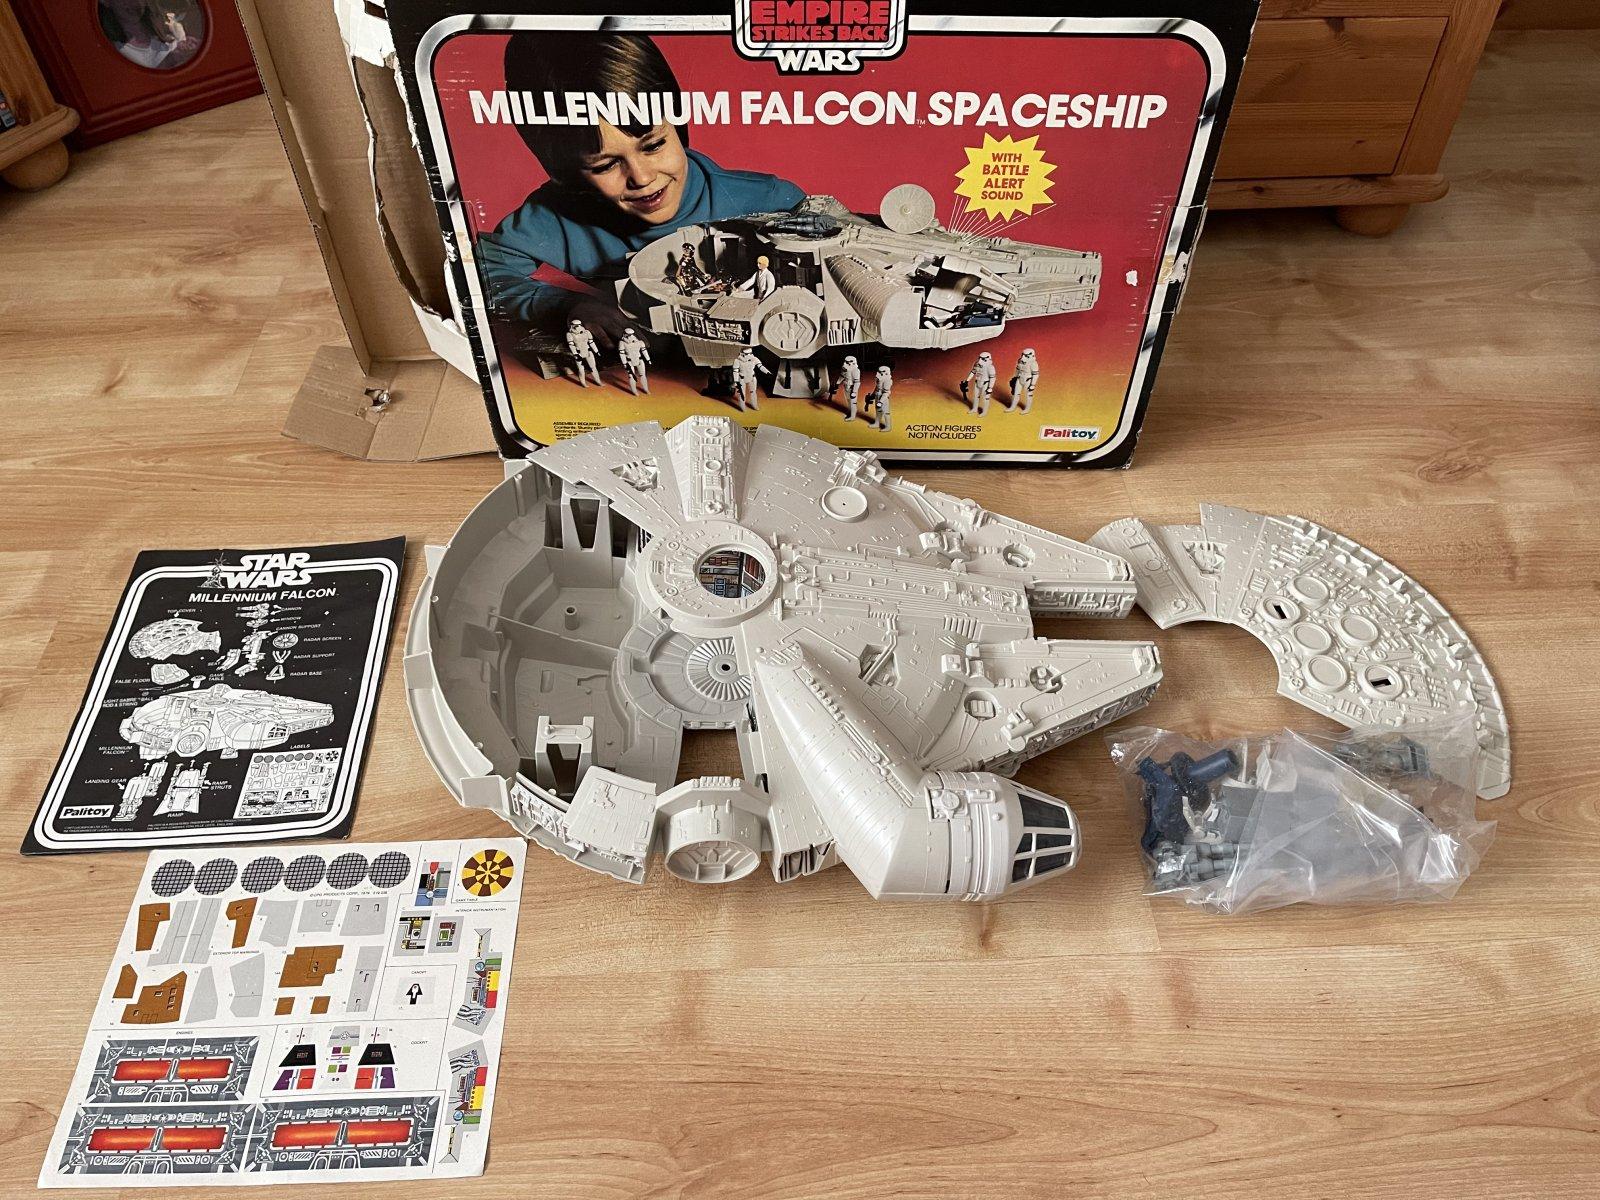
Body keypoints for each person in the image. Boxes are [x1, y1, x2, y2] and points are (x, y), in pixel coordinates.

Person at [478, 34, 804, 349]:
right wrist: (564, 304)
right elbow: (478, 270)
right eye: (606, 165)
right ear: (568, 172)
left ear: (677, 122)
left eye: (654, 145)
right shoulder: (554, 215)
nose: (643, 178)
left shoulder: (772, 201)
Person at [731, 348, 770, 412]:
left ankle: (754, 404)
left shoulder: (754, 359)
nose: (749, 355)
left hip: (751, 377)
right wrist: (736, 381)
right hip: (742, 378)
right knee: (742, 393)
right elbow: (735, 371)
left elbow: (760, 366)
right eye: (747, 354)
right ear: (742, 354)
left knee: (753, 392)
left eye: (750, 353)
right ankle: (742, 406)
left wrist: (767, 372)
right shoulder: (737, 361)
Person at [566, 319, 602, 388]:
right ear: (572, 326)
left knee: (593, 367)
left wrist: (596, 351)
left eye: (579, 325)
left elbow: (591, 342)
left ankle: (598, 381)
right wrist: (575, 354)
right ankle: (583, 383)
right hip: (578, 352)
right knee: (581, 369)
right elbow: (571, 345)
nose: (577, 327)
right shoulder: (569, 334)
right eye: (575, 325)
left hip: (588, 351)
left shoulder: (587, 332)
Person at [617, 328, 652, 395]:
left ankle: (646, 389)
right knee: (632, 376)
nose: (630, 337)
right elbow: (622, 354)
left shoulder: (640, 342)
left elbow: (644, 351)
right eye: (628, 335)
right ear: (624, 334)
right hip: (629, 361)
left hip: (639, 360)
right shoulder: (622, 343)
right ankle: (634, 391)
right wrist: (625, 363)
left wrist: (648, 359)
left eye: (631, 335)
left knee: (643, 375)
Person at [962, 351, 996, 416]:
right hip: (977, 382)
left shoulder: (990, 367)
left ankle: (984, 412)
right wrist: (967, 380)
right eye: (979, 358)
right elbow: (973, 372)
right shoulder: (976, 364)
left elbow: (992, 378)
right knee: (975, 396)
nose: (980, 360)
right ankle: (974, 408)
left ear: (988, 358)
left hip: (985, 383)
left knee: (985, 398)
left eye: (983, 358)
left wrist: (990, 387)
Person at [1008, 348, 1039, 413]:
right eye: (1023, 355)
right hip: (1019, 378)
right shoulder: (1020, 361)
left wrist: (1032, 385)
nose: (1023, 357)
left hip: (1028, 380)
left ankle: (1027, 409)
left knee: (1028, 395)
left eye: (1026, 356)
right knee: (1016, 394)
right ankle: (1012, 407)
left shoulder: (1033, 363)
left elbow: (1035, 375)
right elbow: (1017, 369)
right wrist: (1015, 377)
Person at [836, 355, 862, 421]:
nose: (847, 364)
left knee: (853, 402)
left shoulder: (855, 370)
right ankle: (850, 412)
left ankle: (852, 416)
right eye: (846, 362)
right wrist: (838, 383)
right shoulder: (845, 369)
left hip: (852, 387)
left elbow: (857, 382)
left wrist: (854, 392)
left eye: (849, 362)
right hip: (846, 386)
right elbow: (842, 376)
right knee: (848, 400)